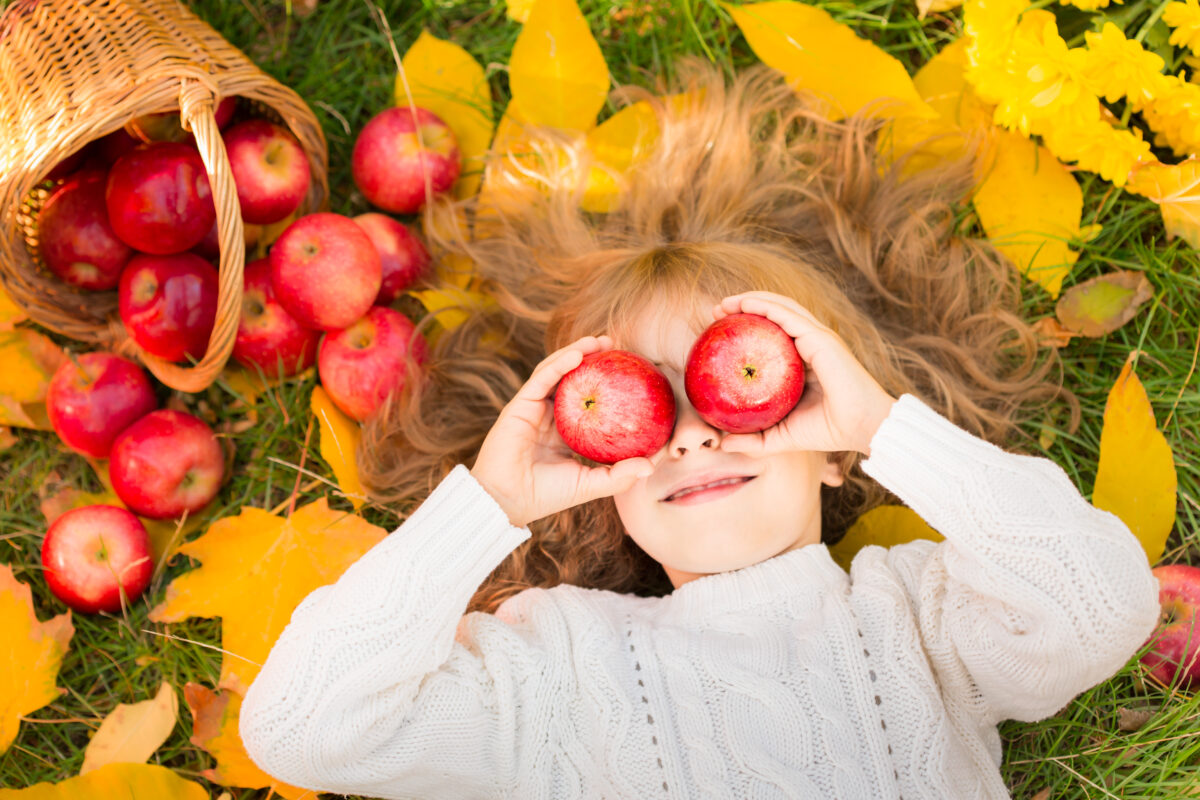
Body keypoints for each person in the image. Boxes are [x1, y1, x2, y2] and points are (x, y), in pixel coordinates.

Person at [238, 62, 1160, 798]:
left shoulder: (919, 619)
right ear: (598, 477)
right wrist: (485, 506)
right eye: (645, 404)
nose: (689, 436)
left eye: (735, 394)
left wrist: (887, 427)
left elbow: (1100, 608)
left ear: (833, 447)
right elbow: (303, 730)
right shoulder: (558, 670)